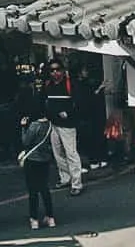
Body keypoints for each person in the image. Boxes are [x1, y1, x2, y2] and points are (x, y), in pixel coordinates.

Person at [42, 60, 84, 195]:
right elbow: (45, 101)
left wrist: (68, 114)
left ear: (63, 70)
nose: (55, 72)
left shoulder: (70, 85)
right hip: (53, 124)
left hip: (68, 125)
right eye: (52, 70)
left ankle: (76, 183)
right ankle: (66, 178)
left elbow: (79, 104)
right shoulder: (48, 85)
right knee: (57, 153)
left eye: (57, 69)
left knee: (71, 153)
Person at [17, 108, 56, 230]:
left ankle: (34, 219)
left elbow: (26, 141)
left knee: (33, 190)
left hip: (32, 160)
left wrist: (23, 128)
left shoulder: (34, 125)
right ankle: (50, 217)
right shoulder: (49, 125)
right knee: (45, 189)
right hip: (45, 159)